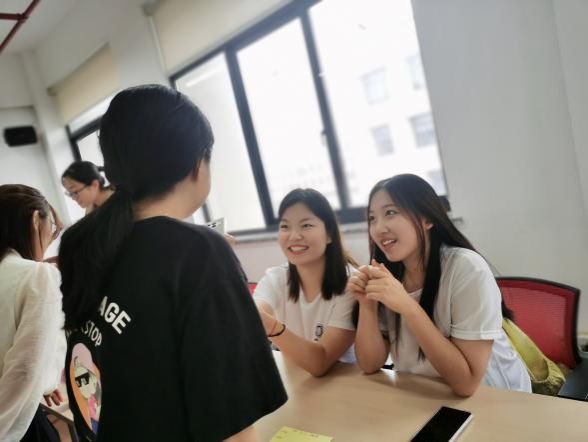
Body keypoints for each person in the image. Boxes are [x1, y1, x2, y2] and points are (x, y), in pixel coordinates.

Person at [58, 84, 286, 442]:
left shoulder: (85, 244)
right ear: (197, 164)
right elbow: (232, 426)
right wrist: (209, 263)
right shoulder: (197, 252)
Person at [349, 174, 531, 396]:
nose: (378, 228)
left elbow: (467, 383)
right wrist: (367, 305)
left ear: (427, 218)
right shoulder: (390, 274)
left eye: (390, 213)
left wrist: (408, 307)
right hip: (426, 395)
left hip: (495, 397)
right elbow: (369, 364)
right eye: (372, 218)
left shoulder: (466, 268)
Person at [254, 188, 357, 377]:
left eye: (306, 225)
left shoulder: (351, 284)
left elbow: (320, 361)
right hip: (295, 379)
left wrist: (270, 326)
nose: (294, 236)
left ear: (329, 234)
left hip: (343, 381)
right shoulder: (275, 278)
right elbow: (254, 313)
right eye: (285, 226)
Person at [0, 184, 66, 442]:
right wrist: (40, 381)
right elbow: (25, 369)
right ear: (36, 220)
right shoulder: (38, 276)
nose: (50, 239)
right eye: (53, 228)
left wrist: (40, 382)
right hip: (15, 423)